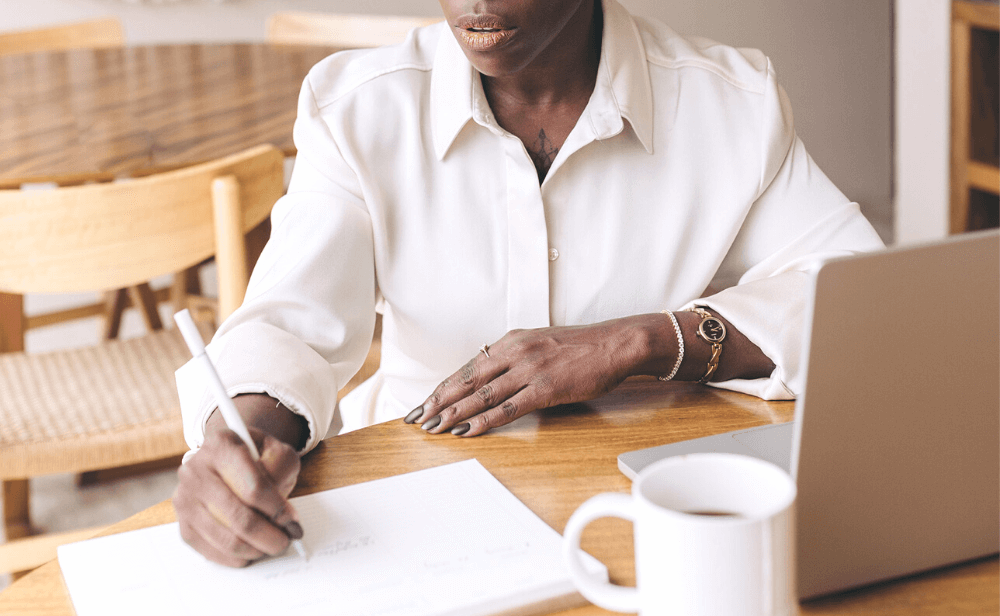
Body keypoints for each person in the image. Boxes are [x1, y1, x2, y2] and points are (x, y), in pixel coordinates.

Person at [174, 0, 882, 567]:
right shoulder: (356, 110)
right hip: (414, 507)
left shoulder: (733, 102)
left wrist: (643, 340)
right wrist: (245, 439)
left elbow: (861, 296)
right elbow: (289, 322)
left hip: (645, 508)